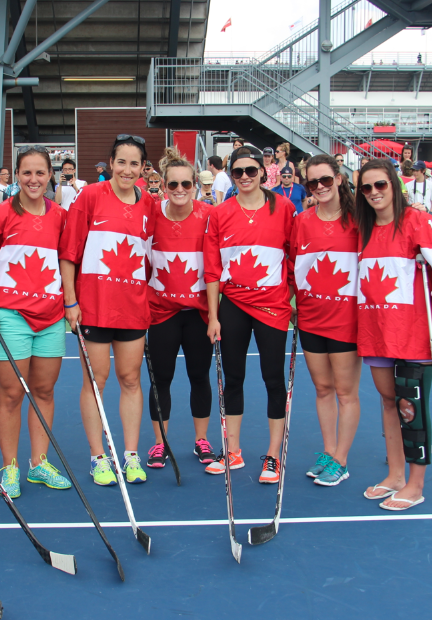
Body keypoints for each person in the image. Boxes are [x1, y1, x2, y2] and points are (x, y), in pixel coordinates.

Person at [353, 158, 432, 511]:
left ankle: (416, 483)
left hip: (415, 331)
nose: (373, 193)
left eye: (380, 185)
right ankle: (395, 474)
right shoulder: (364, 228)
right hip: (377, 329)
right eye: (366, 187)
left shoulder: (417, 221)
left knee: (410, 406)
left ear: (395, 186)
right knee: (388, 402)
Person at [0, 145, 73, 498]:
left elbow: (66, 262)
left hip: (52, 317)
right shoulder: (0, 215)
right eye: (26, 172)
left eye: (40, 172)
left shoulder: (60, 216)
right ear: (15, 175)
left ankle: (38, 464)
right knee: (12, 393)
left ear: (49, 176)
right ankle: (9, 466)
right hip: (10, 315)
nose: (33, 179)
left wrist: (70, 303)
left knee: (44, 391)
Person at [58, 133, 154, 486]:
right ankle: (99, 457)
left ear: (143, 168)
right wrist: (70, 301)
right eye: (122, 162)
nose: (128, 170)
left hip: (132, 309)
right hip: (94, 308)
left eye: (135, 163)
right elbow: (69, 253)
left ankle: (130, 455)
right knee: (95, 382)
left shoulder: (149, 204)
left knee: (130, 380)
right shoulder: (90, 196)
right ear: (110, 164)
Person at [203, 146, 295, 483]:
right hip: (234, 306)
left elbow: (295, 255)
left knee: (274, 378)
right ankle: (232, 450)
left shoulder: (284, 208)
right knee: (233, 378)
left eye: (251, 171)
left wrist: (292, 297)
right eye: (238, 172)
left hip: (272, 307)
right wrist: (214, 316)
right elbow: (212, 271)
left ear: (264, 170)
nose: (244, 177)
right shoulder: (219, 213)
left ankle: (273, 455)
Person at [290, 154, 361, 487]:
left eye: (325, 180)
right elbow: (294, 267)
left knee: (346, 392)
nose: (319, 187)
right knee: (323, 389)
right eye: (313, 182)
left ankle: (342, 461)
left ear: (339, 179)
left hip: (346, 320)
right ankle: (329, 451)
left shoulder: (359, 220)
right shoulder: (302, 221)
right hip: (311, 319)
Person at [145, 147, 215, 468]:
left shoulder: (208, 215)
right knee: (161, 378)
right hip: (162, 313)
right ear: (163, 184)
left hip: (198, 314)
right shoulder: (152, 214)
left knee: (199, 376)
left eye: (186, 185)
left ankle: (202, 440)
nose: (180, 191)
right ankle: (160, 444)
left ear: (195, 186)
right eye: (173, 185)